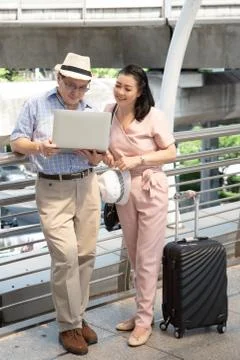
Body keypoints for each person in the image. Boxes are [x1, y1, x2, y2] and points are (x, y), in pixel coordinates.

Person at [10, 52, 104, 356]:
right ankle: (68, 326)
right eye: (71, 86)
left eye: (82, 87)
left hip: (88, 184)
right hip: (53, 188)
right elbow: (16, 141)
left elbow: (101, 152)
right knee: (66, 256)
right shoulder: (37, 104)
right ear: (58, 78)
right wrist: (39, 147)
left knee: (86, 254)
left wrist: (95, 156)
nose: (76, 93)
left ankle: (78, 317)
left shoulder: (92, 108)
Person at [103, 64, 176, 347]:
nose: (120, 91)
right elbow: (104, 146)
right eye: (118, 85)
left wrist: (139, 160)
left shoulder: (153, 116)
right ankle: (140, 312)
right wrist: (108, 155)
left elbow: (171, 152)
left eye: (127, 88)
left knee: (147, 259)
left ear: (140, 91)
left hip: (150, 187)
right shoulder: (109, 111)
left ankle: (144, 322)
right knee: (134, 256)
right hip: (123, 190)